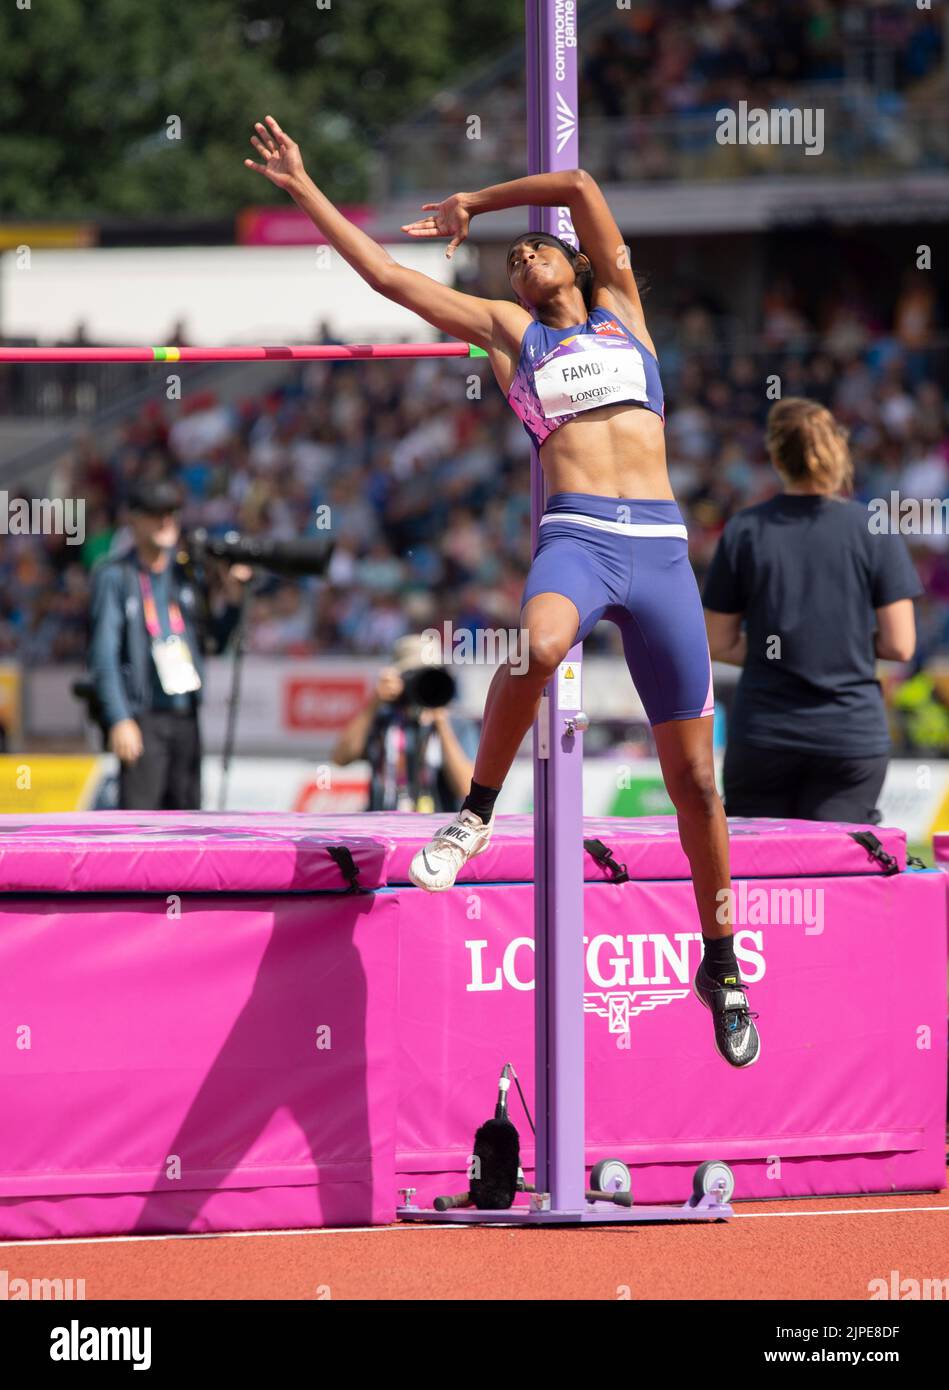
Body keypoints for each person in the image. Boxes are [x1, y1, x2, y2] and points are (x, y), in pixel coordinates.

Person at [245, 115, 758, 1067]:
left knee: (694, 781)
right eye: (510, 259)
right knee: (538, 649)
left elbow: (580, 188)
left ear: (571, 266)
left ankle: (719, 962)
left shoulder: (623, 311)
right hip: (578, 540)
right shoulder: (507, 330)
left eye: (535, 252)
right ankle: (476, 813)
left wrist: (477, 202)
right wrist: (306, 189)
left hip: (658, 549)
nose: (523, 260)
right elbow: (389, 279)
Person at [703, 397, 922, 823]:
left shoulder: (745, 530)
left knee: (760, 878)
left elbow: (717, 641)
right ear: (837, 450)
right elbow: (901, 645)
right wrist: (837, 644)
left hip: (764, 734)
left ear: (775, 454)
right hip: (849, 737)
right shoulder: (873, 528)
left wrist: (785, 649)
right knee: (841, 878)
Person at [89, 479, 250, 810]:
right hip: (143, 716)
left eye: (172, 513)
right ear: (133, 519)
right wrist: (119, 718)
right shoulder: (116, 576)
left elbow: (213, 643)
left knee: (189, 824)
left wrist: (233, 600)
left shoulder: (186, 575)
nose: (166, 521)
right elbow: (103, 654)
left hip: (186, 717)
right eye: (155, 513)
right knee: (141, 828)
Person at [333, 634, 477, 812]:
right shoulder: (382, 720)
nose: (422, 683)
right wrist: (374, 703)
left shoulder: (457, 725)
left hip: (436, 832)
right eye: (414, 675)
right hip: (382, 831)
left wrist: (441, 721)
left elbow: (467, 789)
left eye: (430, 675)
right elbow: (340, 758)